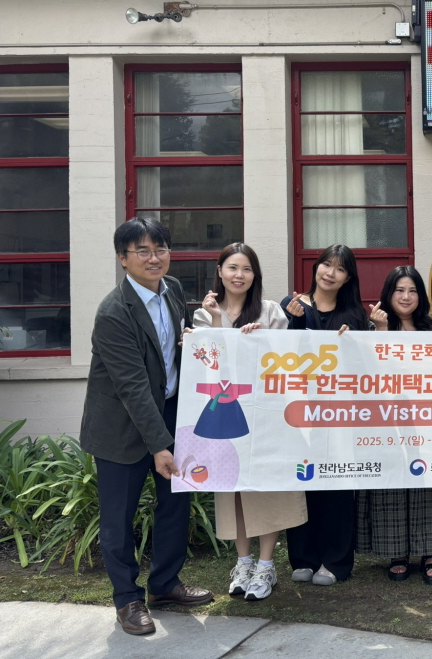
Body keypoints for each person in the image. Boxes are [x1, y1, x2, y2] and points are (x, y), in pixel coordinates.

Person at [80, 217, 213, 636]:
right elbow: (133, 386)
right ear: (123, 258)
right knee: (118, 517)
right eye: (142, 251)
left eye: (160, 249)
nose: (154, 258)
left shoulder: (171, 289)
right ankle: (127, 599)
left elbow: (176, 350)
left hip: (170, 411)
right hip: (120, 426)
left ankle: (165, 584)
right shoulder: (113, 312)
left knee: (176, 502)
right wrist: (160, 446)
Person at [192, 242, 307, 602]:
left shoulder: (271, 311)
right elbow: (207, 363)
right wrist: (216, 320)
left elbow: (287, 360)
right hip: (224, 417)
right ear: (220, 272)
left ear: (255, 275)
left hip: (265, 415)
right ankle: (243, 563)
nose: (239, 275)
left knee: (266, 487)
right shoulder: (203, 314)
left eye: (246, 269)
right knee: (234, 490)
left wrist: (263, 341)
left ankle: (266, 565)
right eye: (232, 268)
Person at [279, 244, 366, 587]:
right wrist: (295, 321)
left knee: (337, 488)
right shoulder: (291, 305)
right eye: (326, 265)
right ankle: (303, 557)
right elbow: (280, 355)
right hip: (299, 413)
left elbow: (362, 367)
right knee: (303, 482)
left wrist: (354, 341)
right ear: (316, 267)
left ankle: (335, 560)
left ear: (348, 278)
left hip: (340, 415)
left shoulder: (355, 314)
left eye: (340, 269)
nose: (331, 273)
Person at [361, 267, 432, 585]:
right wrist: (381, 330)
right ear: (388, 293)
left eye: (412, 290)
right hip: (386, 420)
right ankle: (396, 552)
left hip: (425, 419)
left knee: (426, 482)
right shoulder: (372, 327)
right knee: (392, 481)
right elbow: (368, 373)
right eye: (399, 290)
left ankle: (430, 552)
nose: (406, 297)